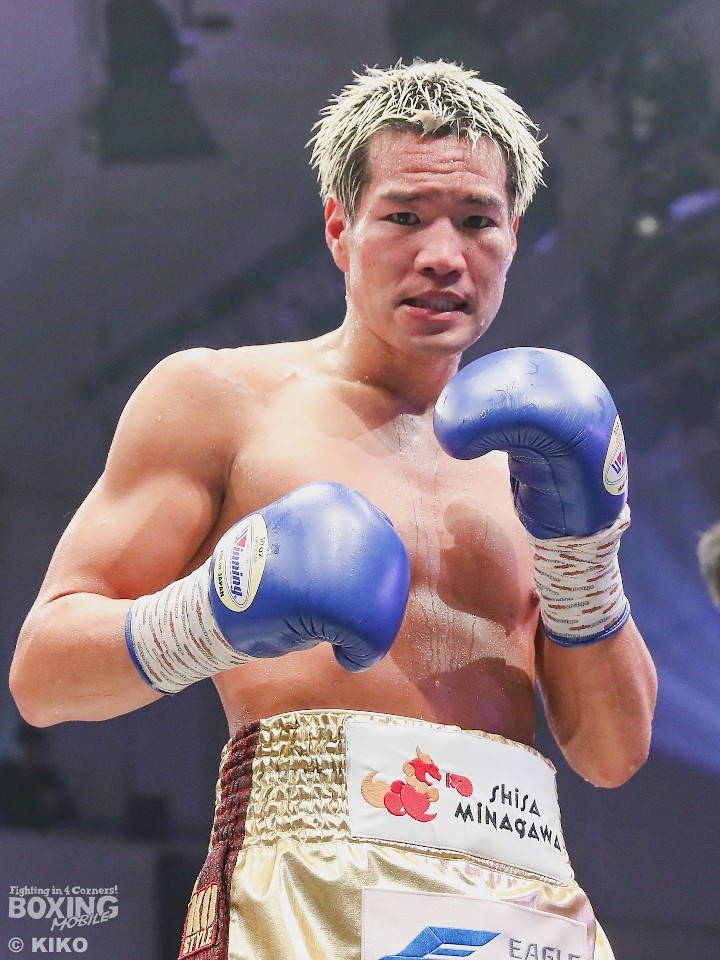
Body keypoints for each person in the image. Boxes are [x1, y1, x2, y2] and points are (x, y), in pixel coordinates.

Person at [11, 61, 656, 960]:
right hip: (310, 873)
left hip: (526, 887)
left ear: (513, 238)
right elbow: (42, 676)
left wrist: (585, 557)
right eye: (404, 216)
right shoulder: (221, 400)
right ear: (339, 229)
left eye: (477, 221)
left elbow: (612, 754)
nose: (444, 255)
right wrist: (211, 615)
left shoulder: (538, 458)